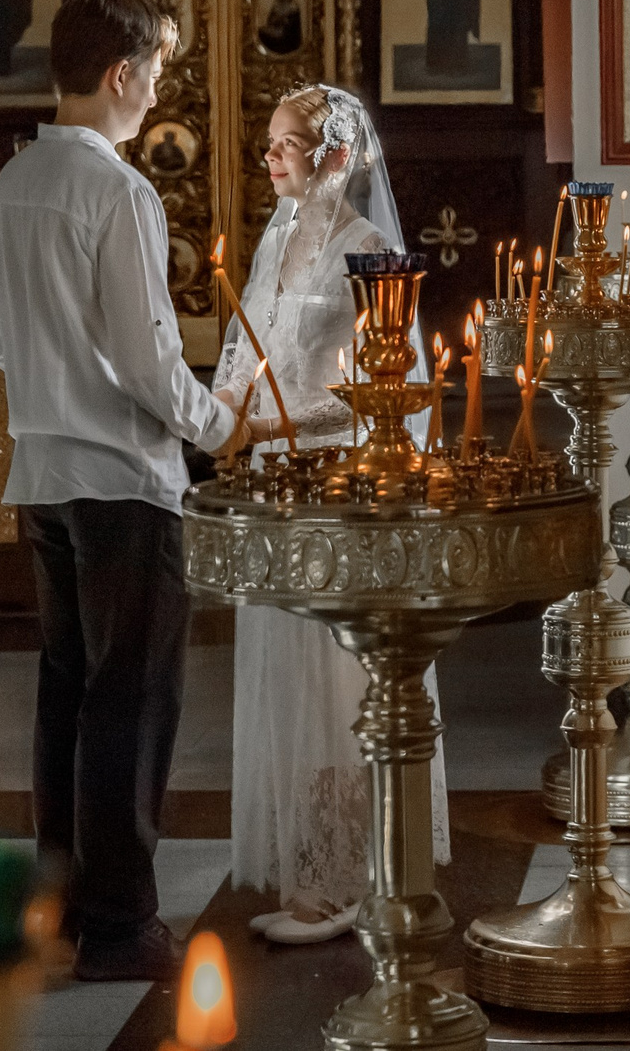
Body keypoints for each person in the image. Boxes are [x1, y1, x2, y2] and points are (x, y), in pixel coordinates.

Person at [0, 0, 247, 983]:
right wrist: (225, 423)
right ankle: (124, 921)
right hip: (123, 479)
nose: (158, 90)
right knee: (132, 697)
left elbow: (1, 338)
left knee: (66, 691)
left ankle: (55, 908)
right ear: (120, 74)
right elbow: (148, 362)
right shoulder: (119, 191)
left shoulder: (13, 180)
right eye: (160, 70)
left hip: (42, 471)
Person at [212, 84, 451, 943]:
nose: (270, 159)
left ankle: (352, 874)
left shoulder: (369, 247)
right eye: (269, 144)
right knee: (288, 672)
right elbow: (248, 352)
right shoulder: (277, 240)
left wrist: (270, 421)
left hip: (343, 481)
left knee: (339, 676)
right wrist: (224, 411)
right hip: (278, 481)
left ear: (338, 158)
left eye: (287, 145)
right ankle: (312, 866)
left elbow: (375, 394)